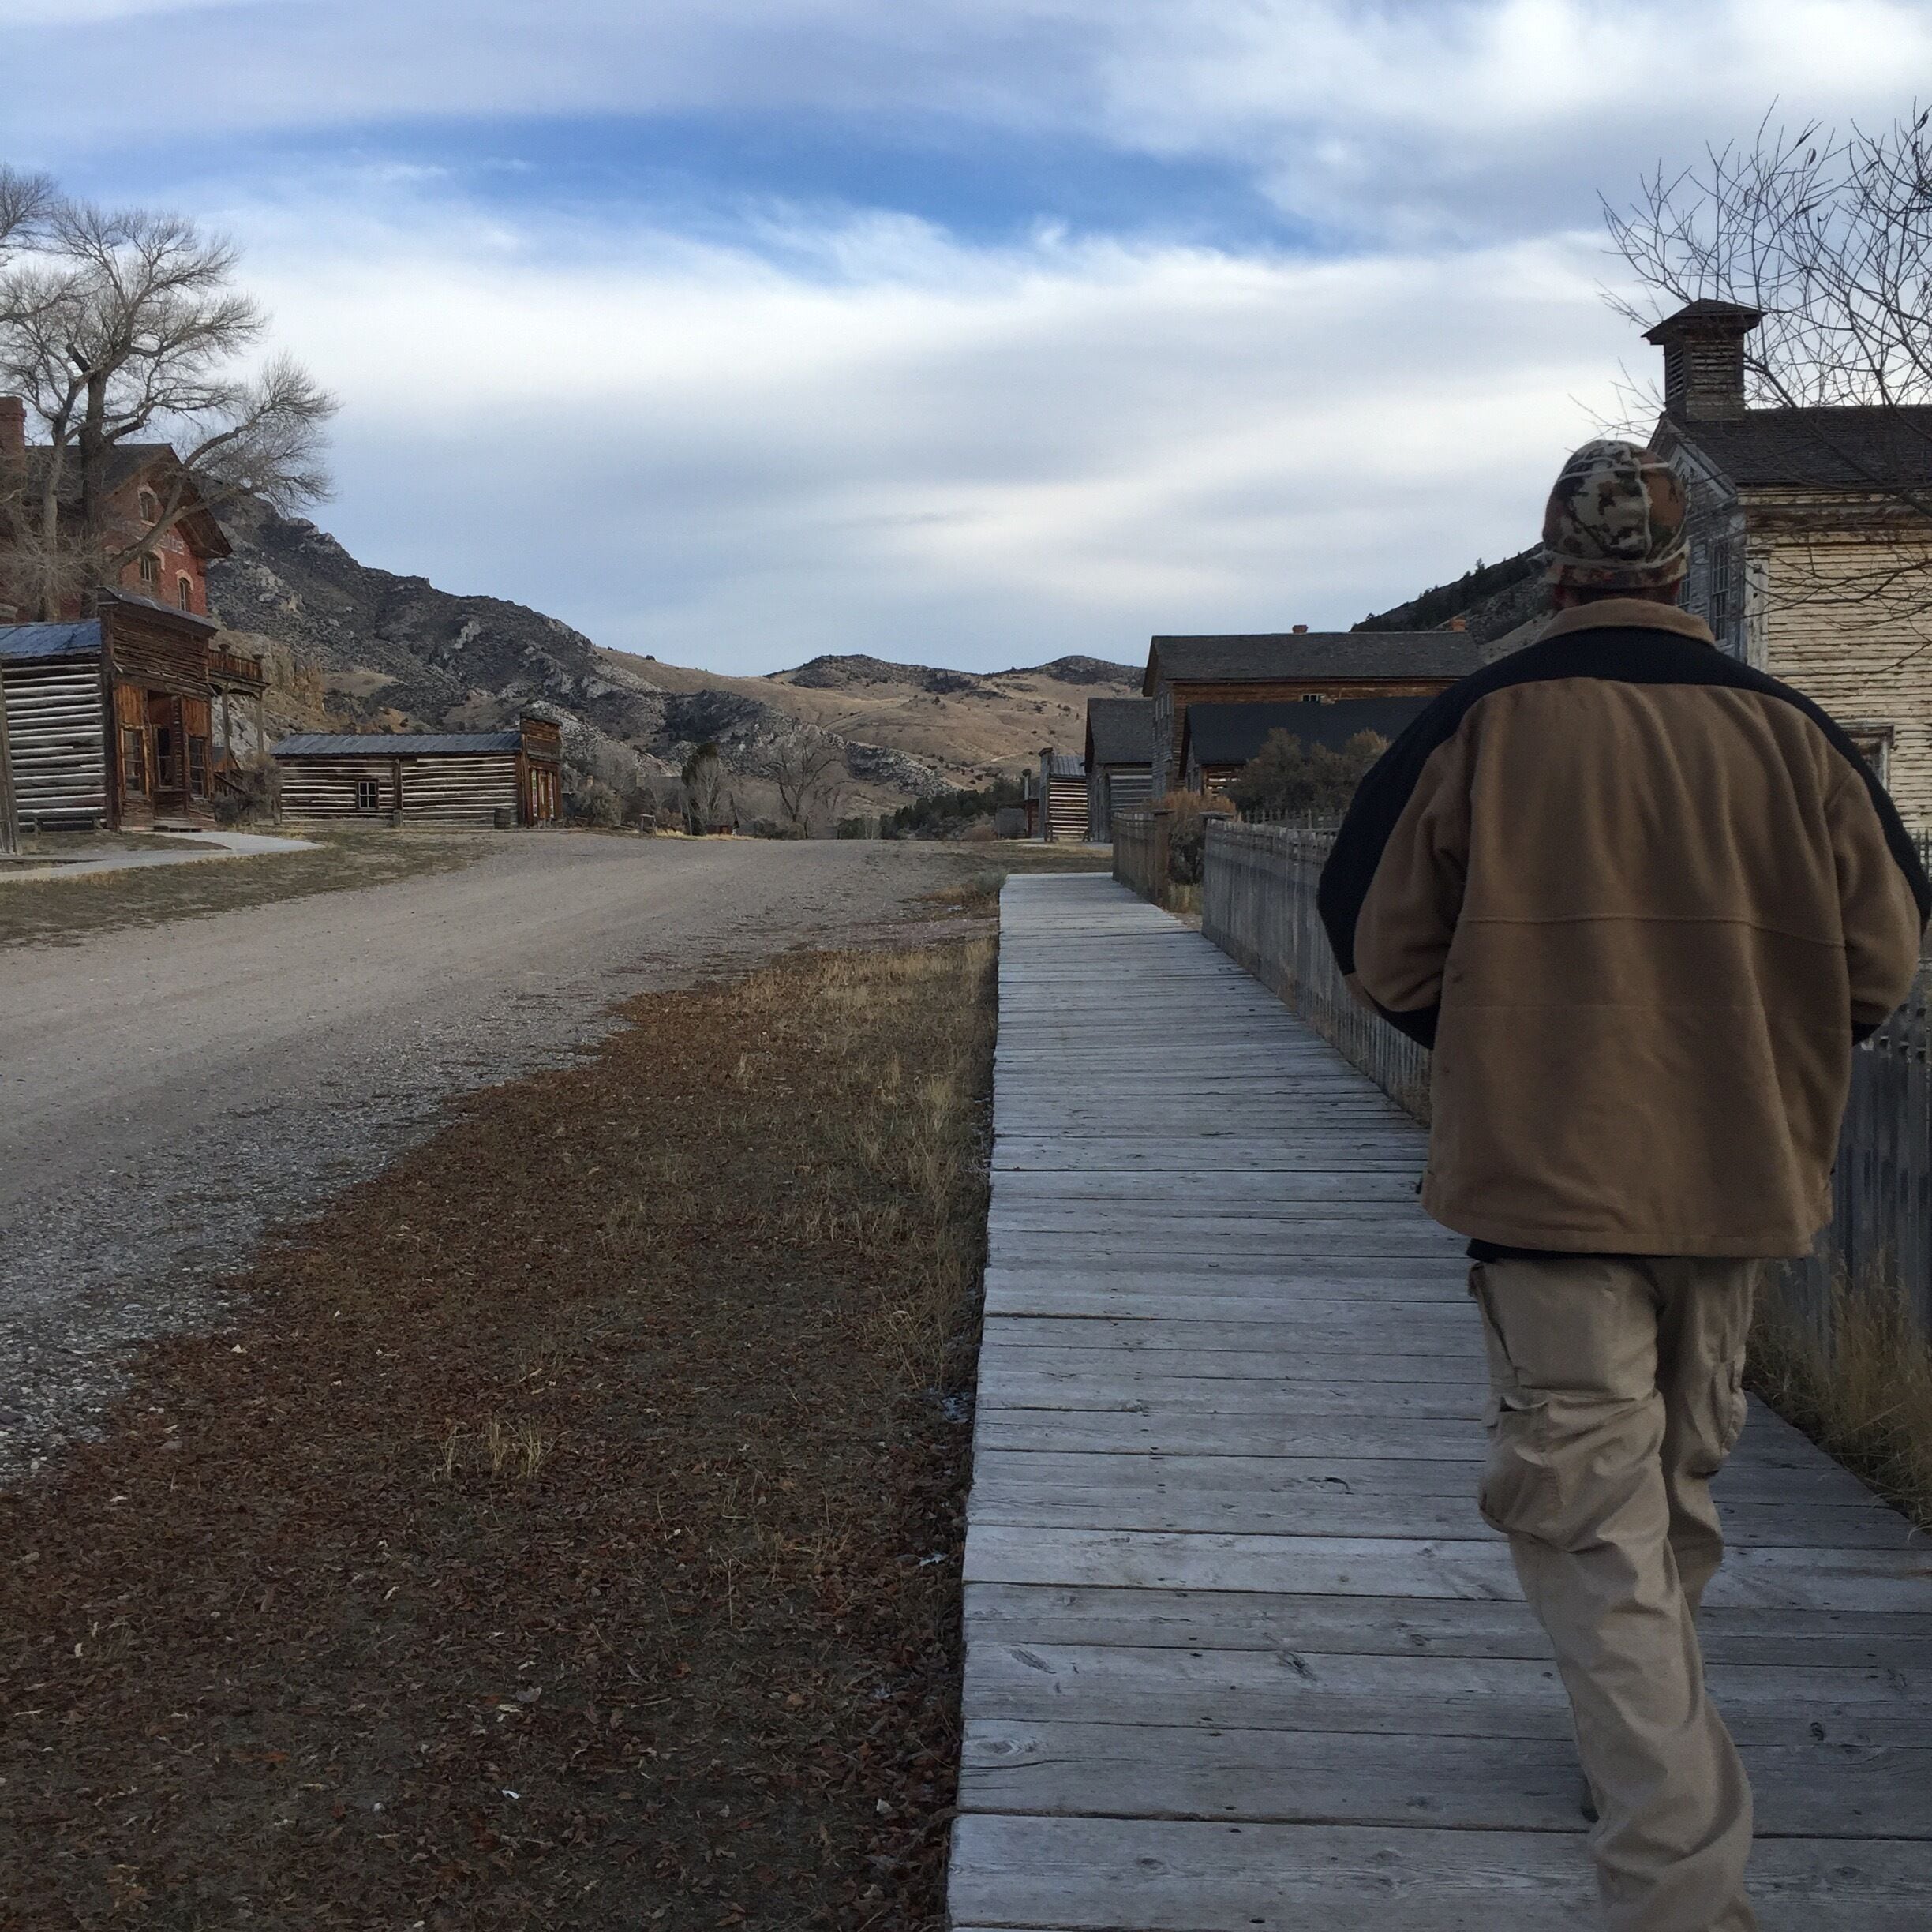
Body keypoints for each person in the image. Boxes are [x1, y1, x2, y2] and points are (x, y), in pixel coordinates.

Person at [1316, 439, 1928, 1932]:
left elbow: (1377, 942)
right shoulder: (1795, 735)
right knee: (1668, 1495)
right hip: (1737, 1183)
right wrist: (1760, 1060)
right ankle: (1634, 1751)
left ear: (1557, 572)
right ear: (1678, 568)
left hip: (1549, 1193)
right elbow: (1884, 961)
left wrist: (1510, 1052)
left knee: (1594, 1525)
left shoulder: (1480, 724)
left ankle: (1678, 1889)